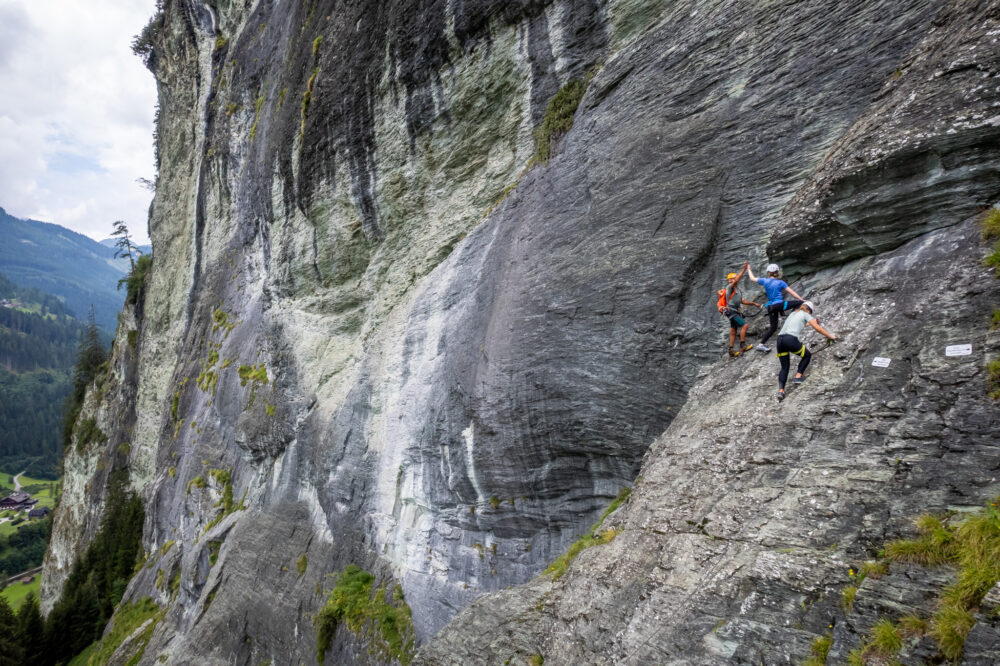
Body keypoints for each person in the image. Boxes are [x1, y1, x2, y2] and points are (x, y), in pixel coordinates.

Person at [775, 301, 835, 401]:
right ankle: (798, 376)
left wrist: (812, 322)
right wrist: (830, 336)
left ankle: (781, 391)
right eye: (810, 312)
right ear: (808, 310)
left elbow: (800, 324)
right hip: (790, 339)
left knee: (784, 367)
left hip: (780, 341)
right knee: (807, 355)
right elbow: (818, 329)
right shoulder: (805, 314)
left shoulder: (793, 313)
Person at [746, 263, 805, 352]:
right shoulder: (780, 283)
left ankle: (761, 344)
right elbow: (792, 293)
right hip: (779, 305)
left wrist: (748, 269)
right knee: (798, 303)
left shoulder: (764, 281)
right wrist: (802, 300)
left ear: (768, 273)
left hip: (771, 307)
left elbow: (752, 278)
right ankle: (793, 320)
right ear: (777, 272)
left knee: (773, 328)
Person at [717, 261, 760, 357]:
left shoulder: (738, 290)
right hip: (730, 311)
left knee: (733, 330)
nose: (733, 280)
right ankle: (743, 345)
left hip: (734, 311)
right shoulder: (729, 287)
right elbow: (736, 281)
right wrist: (744, 269)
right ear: (728, 281)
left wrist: (753, 303)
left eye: (733, 278)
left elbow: (742, 301)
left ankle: (731, 351)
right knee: (745, 325)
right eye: (731, 279)